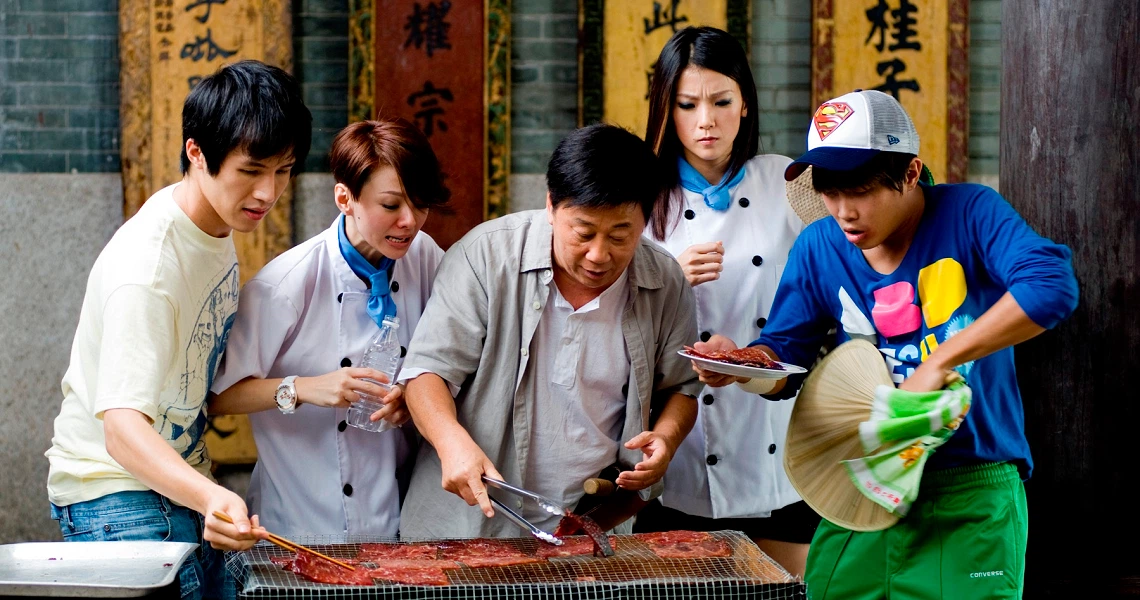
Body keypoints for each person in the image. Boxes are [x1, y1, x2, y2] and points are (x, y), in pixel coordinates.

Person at [694, 90, 1079, 599]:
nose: (843, 211)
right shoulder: (819, 245)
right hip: (859, 484)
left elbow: (1051, 285)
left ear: (911, 172)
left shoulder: (969, 213)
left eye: (860, 190)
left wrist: (941, 359)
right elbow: (786, 357)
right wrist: (743, 364)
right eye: (830, 191)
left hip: (969, 491)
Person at [45, 60, 312, 600]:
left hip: (175, 484)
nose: (267, 193)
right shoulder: (148, 270)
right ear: (196, 152)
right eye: (252, 170)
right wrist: (212, 497)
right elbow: (121, 429)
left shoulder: (210, 227)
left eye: (283, 171)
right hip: (114, 494)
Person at [396, 123, 702, 539]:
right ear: (551, 207)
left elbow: (681, 389)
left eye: (620, 235)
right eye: (584, 232)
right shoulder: (485, 257)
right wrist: (451, 442)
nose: (599, 254)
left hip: (592, 525)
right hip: (468, 523)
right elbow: (426, 373)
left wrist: (664, 440)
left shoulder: (664, 280)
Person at [632, 25, 817, 576]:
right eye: (687, 105)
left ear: (745, 104)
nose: (705, 121)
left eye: (721, 101)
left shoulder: (789, 183)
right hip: (679, 441)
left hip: (772, 430)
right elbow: (597, 313)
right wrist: (666, 278)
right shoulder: (641, 197)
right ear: (666, 109)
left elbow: (835, 289)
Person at [209, 118, 447, 537]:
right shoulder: (284, 286)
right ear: (344, 198)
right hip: (300, 524)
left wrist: (412, 398)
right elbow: (218, 397)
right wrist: (305, 388)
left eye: (420, 203)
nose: (409, 220)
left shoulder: (426, 257)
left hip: (399, 521)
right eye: (391, 206)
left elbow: (450, 359)